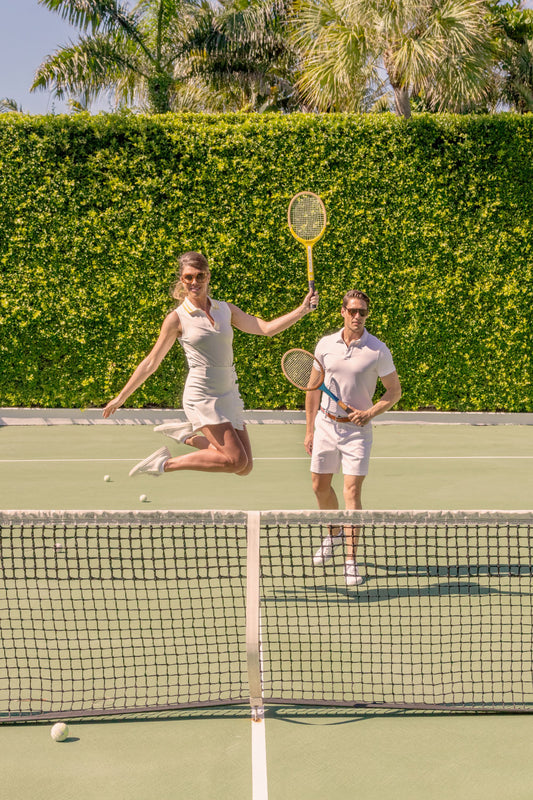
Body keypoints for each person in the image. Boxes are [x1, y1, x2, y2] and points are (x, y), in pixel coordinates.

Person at [103, 251, 318, 478]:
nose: (194, 282)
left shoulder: (225, 309)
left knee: (244, 467)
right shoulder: (177, 318)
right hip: (202, 395)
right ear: (182, 280)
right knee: (235, 460)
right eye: (188, 277)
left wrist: (303, 309)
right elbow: (151, 362)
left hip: (228, 392)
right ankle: (162, 464)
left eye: (200, 276)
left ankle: (189, 435)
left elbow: (266, 329)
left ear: (208, 276)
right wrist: (122, 397)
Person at [304, 289, 401, 587]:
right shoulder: (325, 345)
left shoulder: (378, 350)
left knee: (351, 493)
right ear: (342, 311)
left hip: (357, 432)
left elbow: (394, 391)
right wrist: (309, 428)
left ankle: (350, 561)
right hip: (325, 424)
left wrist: (369, 413)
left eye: (363, 312)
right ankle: (332, 534)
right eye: (353, 311)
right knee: (319, 486)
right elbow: (313, 387)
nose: (358, 316)